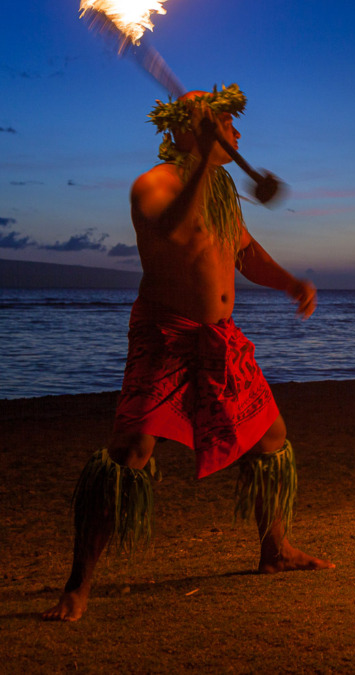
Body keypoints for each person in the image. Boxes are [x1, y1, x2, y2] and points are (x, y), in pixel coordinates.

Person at [43, 85, 332, 622]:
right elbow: (177, 230)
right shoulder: (152, 185)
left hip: (220, 337)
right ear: (188, 132)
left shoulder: (220, 188)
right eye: (226, 126)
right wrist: (202, 159)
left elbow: (242, 250)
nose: (238, 135)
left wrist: (290, 282)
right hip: (166, 336)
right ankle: (77, 586)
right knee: (129, 451)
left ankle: (275, 550)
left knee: (270, 437)